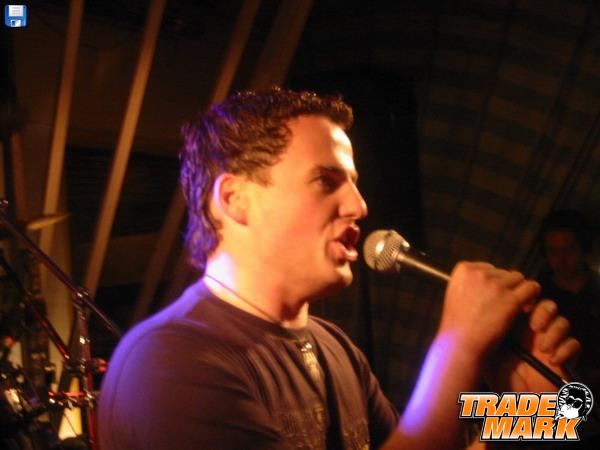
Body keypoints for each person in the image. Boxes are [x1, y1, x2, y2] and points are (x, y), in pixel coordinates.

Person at [98, 88, 580, 450]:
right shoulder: (168, 363)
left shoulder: (335, 347)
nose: (359, 206)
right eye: (327, 181)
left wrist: (535, 411)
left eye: (353, 183)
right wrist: (458, 349)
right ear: (235, 199)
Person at [538, 209, 600, 392]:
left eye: (569, 249)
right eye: (553, 251)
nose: (561, 260)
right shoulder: (539, 294)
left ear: (583, 249)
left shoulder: (595, 288)